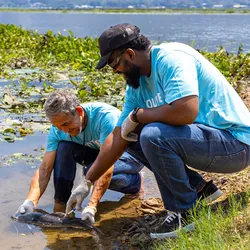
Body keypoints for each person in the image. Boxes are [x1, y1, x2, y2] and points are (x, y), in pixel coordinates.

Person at [67, 23, 250, 238]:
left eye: (114, 64)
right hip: (207, 143)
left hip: (236, 145)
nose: (115, 71)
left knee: (151, 133)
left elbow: (186, 112)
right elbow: (117, 137)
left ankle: (184, 211)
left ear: (130, 54)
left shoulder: (171, 59)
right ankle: (199, 190)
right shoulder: (136, 86)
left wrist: (139, 115)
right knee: (131, 136)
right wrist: (87, 181)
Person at [17, 89, 145, 224]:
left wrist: (91, 206)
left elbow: (106, 166)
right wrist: (30, 201)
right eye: (59, 127)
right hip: (99, 152)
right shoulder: (58, 129)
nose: (65, 130)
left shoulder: (106, 118)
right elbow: (45, 168)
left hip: (129, 154)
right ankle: (61, 203)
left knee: (91, 172)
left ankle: (135, 183)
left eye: (66, 124)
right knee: (64, 147)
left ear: (79, 112)